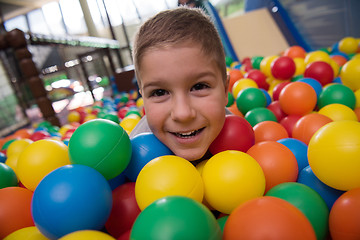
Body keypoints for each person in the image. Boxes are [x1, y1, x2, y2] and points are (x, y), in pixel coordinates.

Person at [130, 6, 229, 162]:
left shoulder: (240, 138)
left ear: (225, 91)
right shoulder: (134, 155)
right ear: (144, 100)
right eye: (160, 92)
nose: (182, 114)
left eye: (199, 86)